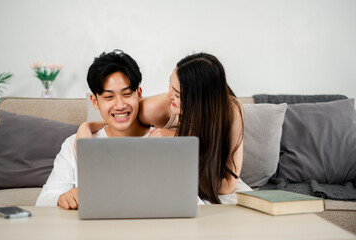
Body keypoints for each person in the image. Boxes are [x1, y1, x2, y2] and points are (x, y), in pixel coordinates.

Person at [76, 52, 251, 204]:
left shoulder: (232, 110)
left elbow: (228, 185)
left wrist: (175, 138)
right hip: (191, 176)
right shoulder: (154, 109)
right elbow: (120, 115)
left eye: (177, 93)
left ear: (198, 101)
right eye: (169, 86)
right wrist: (86, 126)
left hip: (207, 176)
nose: (169, 96)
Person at [36, 50, 150, 209]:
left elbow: (194, 200)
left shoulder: (163, 139)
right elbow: (43, 200)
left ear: (139, 94)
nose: (120, 105)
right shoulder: (74, 144)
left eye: (127, 94)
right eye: (109, 97)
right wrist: (62, 198)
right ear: (94, 101)